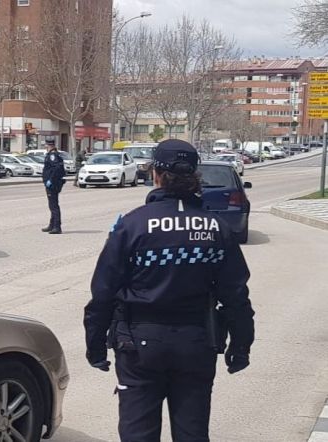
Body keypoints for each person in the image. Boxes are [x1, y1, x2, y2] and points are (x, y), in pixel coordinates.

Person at [83, 139, 255, 442]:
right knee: (192, 434)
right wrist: (241, 346)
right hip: (196, 342)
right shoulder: (216, 227)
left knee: (138, 434)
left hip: (138, 344)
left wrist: (95, 345)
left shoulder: (132, 225)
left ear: (155, 175)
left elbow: (104, 292)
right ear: (195, 177)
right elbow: (236, 295)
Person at [41, 136, 66, 234]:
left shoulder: (53, 155)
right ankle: (52, 225)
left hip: (53, 183)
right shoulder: (53, 154)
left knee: (54, 206)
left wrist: (50, 180)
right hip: (53, 182)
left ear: (47, 145)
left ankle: (57, 227)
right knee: (52, 205)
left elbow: (56, 169)